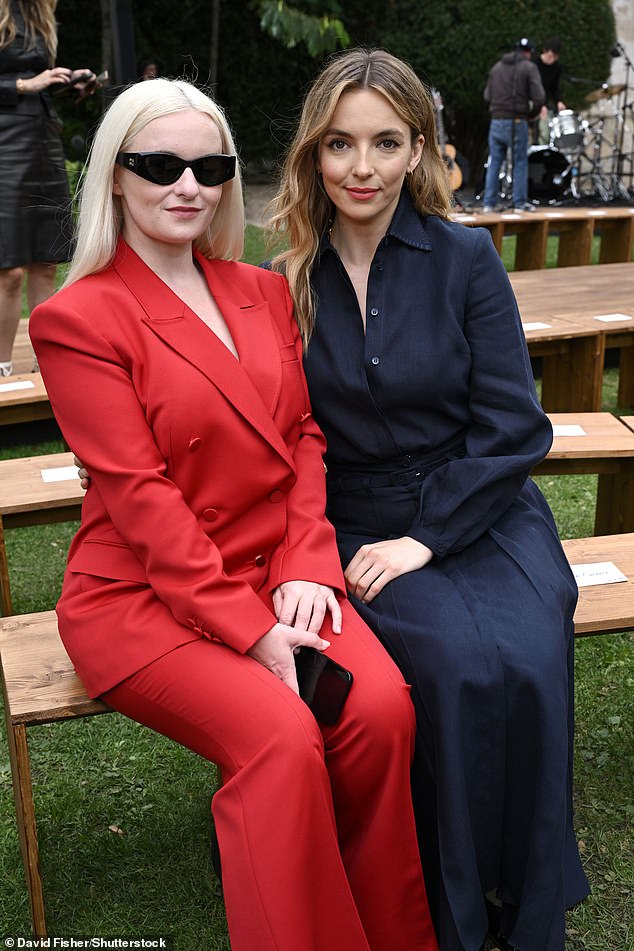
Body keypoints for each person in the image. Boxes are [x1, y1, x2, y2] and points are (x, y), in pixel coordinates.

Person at [29, 78, 439, 951]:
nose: (187, 184)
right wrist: (253, 633)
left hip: (275, 572)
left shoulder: (258, 286)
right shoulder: (77, 318)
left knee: (382, 711)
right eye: (160, 163)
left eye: (208, 164)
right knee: (283, 736)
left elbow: (301, 436)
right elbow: (140, 501)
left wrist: (303, 563)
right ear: (114, 176)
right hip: (142, 598)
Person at [269, 47, 590, 951]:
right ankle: (449, 907)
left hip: (481, 502)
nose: (361, 168)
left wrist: (429, 537)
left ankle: (523, 893)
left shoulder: (464, 259)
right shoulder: (286, 280)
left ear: (419, 150)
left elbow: (514, 427)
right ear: (313, 153)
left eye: (384, 143)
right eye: (339, 144)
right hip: (359, 517)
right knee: (449, 668)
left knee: (526, 651)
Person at [0, 0, 95, 376]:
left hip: (43, 137)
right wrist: (26, 84)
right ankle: (2, 368)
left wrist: (68, 83)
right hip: (5, 143)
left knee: (45, 262)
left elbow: (38, 84)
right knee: (9, 270)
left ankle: (47, 363)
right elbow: (24, 83)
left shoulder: (40, 12)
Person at [482, 37, 545, 211]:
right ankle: (519, 203)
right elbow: (539, 97)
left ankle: (488, 204)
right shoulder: (529, 67)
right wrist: (531, 114)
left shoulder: (496, 68)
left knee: (495, 162)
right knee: (520, 162)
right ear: (527, 53)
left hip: (496, 121)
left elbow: (487, 96)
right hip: (517, 120)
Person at [535, 38, 567, 145]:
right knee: (543, 129)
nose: (551, 59)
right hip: (532, 102)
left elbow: (554, 87)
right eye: (550, 56)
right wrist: (540, 105)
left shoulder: (556, 68)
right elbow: (531, 89)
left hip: (544, 102)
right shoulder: (534, 65)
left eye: (555, 57)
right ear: (544, 51)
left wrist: (559, 101)